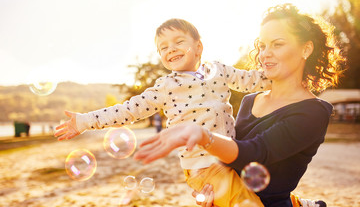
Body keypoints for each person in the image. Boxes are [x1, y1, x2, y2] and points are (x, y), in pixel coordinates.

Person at [134, 4, 345, 207]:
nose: (264, 54)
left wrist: (202, 135)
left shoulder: (313, 112)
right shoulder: (249, 100)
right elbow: (231, 163)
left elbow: (255, 153)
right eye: (262, 46)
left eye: (277, 44)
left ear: (306, 49)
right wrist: (215, 194)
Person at [54, 18, 271, 206]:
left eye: (178, 42)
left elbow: (252, 80)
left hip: (233, 155)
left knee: (272, 196)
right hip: (203, 166)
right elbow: (129, 110)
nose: (171, 49)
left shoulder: (219, 71)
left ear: (198, 47)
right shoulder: (166, 86)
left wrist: (288, 75)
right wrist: (84, 121)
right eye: (163, 47)